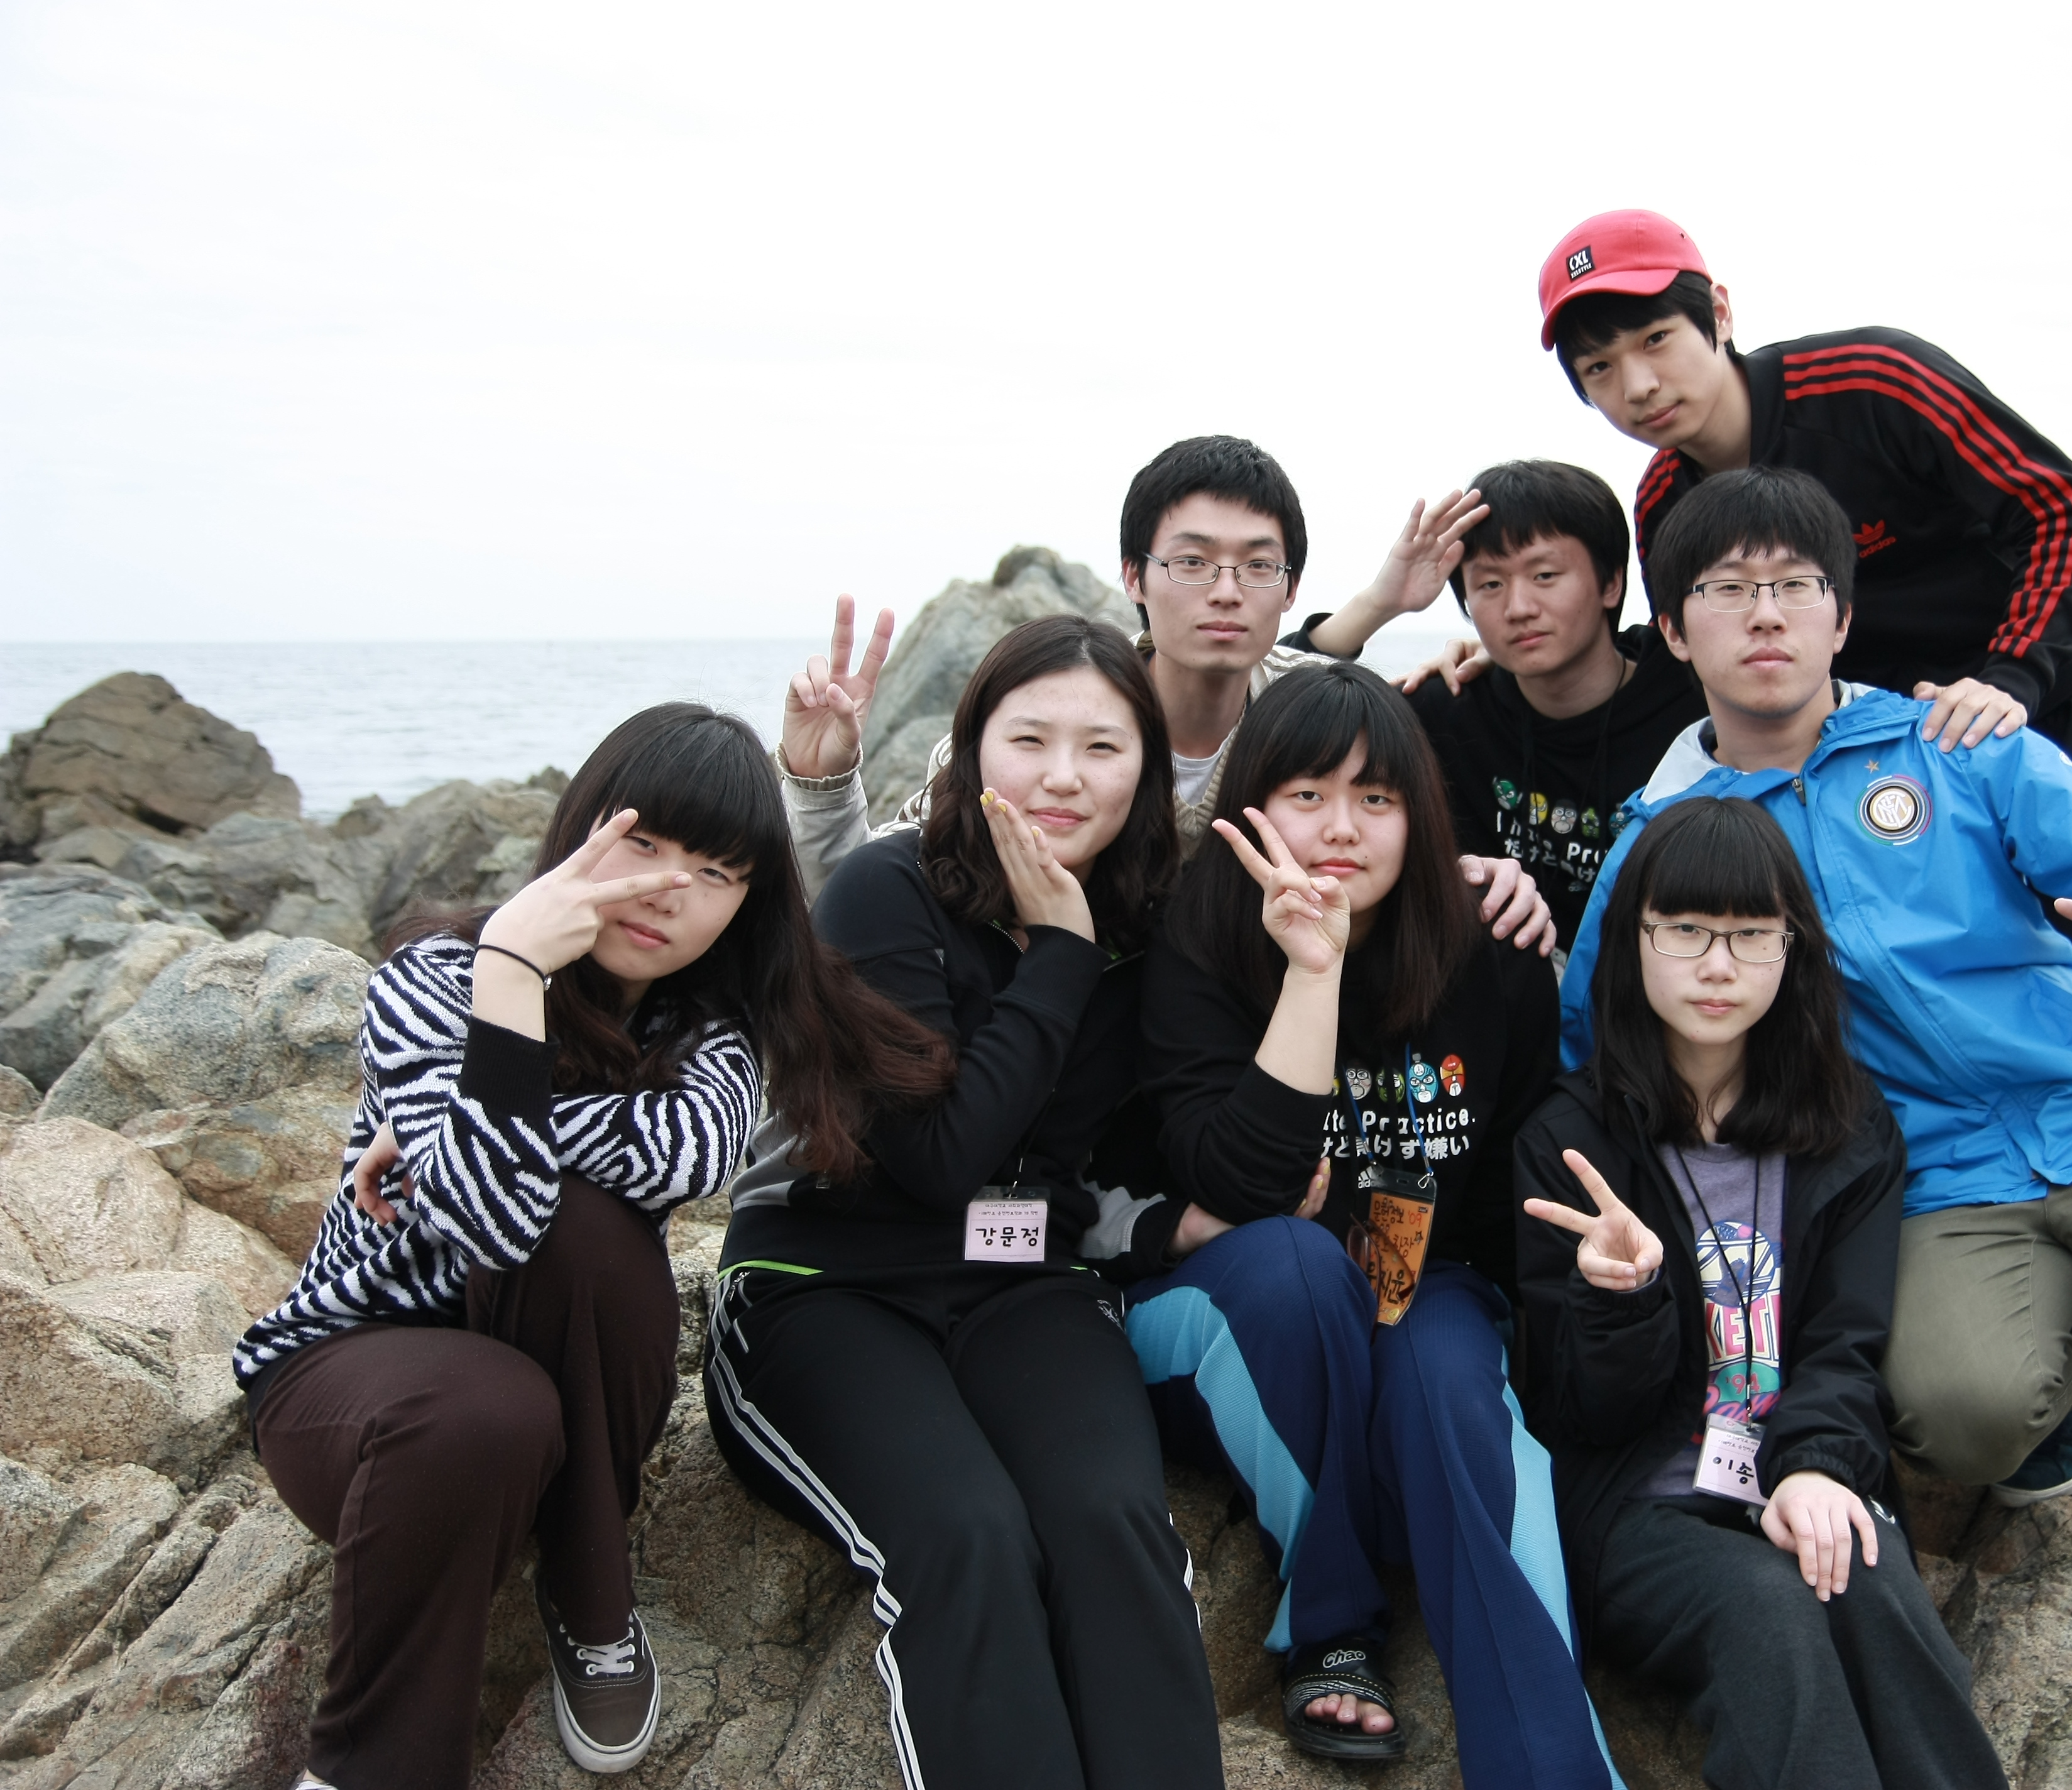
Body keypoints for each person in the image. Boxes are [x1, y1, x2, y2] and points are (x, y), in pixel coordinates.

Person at [1559, 467, 2072, 1790]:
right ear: (1674, 630)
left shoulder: (1954, 743)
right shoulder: (1668, 840)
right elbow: (1593, 1039)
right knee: (1955, 1416)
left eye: (1795, 586)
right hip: (1936, 1176)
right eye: (1727, 589)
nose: (1765, 613)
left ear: (1842, 616)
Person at [236, 703, 927, 1790]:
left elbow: (684, 1152)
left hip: (571, 1400)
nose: (667, 888)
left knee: (589, 1231)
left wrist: (461, 1115)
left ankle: (588, 1587)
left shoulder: (715, 1031)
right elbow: (493, 1221)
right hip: (355, 1381)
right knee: (487, 1400)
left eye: (716, 871)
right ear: (579, 831)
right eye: (643, 843)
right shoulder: (438, 976)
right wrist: (512, 978)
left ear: (745, 903)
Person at [705, 617, 1224, 1789]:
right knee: (967, 1532)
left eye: (1102, 746)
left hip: (1023, 1283)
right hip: (825, 1287)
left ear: (1148, 770)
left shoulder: (1153, 927)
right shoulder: (887, 889)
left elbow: (1101, 1158)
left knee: (1112, 1524)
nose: (1061, 776)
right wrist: (1059, 956)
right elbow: (937, 1158)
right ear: (972, 747)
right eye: (1028, 738)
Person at [1126, 662, 1623, 1784]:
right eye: (1307, 795)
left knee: (1444, 1370)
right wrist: (1313, 972)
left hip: (1418, 1278)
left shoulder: (1489, 954)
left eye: (1377, 797)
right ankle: (1332, 1621)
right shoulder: (1199, 937)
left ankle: (1550, 1769)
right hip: (1227, 1304)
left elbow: (1506, 1201)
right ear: (1253, 802)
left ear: (1422, 813)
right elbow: (1242, 1187)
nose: (1342, 828)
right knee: (1299, 1265)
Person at [1537, 208, 2072, 1028]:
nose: (1638, 386)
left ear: (1719, 314)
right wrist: (1531, 668)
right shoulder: (1666, 505)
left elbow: (2064, 509)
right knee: (1925, 996)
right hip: (1883, 761)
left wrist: (2011, 678)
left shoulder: (1872, 383)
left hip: (2041, 702)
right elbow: (1686, 649)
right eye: (1599, 368)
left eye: (1656, 339)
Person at [1515, 794, 2007, 1789]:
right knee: (1770, 1619)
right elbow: (1581, 1413)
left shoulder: (1848, 1128)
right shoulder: (1572, 1141)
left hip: (1799, 1475)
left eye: (1751, 935)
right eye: (1686, 930)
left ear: (1793, 948)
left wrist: (1819, 1468)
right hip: (1641, 1508)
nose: (1718, 965)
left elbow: (1844, 1342)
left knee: (1877, 1592)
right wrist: (1622, 1298)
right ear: (1632, 941)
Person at [776, 435, 1554, 949]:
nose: (1227, 590)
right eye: (1192, 562)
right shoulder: (1051, 719)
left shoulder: (1321, 714)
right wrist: (822, 783)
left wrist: (1482, 874)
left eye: (1258, 566)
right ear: (1133, 576)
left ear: (1290, 590)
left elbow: (1388, 840)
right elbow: (864, 891)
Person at [1401, 459, 1706, 953]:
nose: (1519, 608)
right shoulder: (1444, 713)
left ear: (1611, 582)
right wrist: (1381, 605)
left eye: (1545, 575)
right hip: (1511, 980)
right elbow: (1296, 727)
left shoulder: (1697, 698)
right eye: (1490, 585)